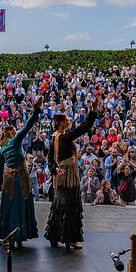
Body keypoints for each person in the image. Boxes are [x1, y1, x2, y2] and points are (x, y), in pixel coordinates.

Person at [45, 99, 98, 251]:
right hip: (69, 175)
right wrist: (93, 111)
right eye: (67, 121)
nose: (69, 122)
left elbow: (51, 159)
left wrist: (55, 170)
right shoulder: (65, 137)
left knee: (58, 204)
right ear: (61, 123)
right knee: (71, 206)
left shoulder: (54, 136)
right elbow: (85, 127)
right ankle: (69, 239)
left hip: (60, 175)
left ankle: (54, 236)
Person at [0, 96, 43, 248]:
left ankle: (7, 235)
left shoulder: (1, 149)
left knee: (9, 206)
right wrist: (36, 110)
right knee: (19, 205)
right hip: (20, 179)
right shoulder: (15, 140)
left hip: (8, 179)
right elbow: (28, 126)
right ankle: (19, 234)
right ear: (11, 133)